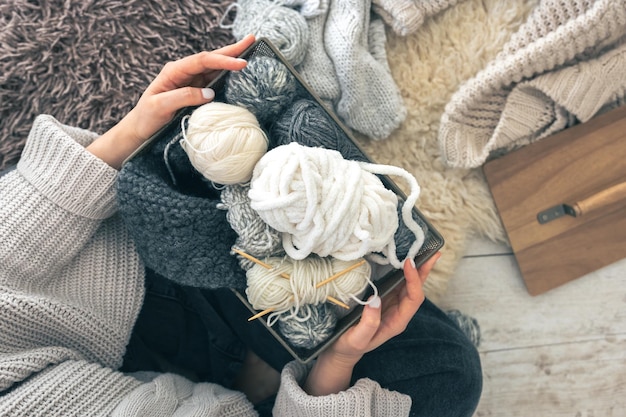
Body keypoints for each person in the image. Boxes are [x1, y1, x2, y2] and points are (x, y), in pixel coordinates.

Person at [0, 34, 482, 416]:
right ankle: (261, 372)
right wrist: (334, 365)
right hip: (170, 369)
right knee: (447, 375)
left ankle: (262, 357)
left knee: (198, 166)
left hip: (110, 267)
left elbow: (11, 250)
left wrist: (131, 132)